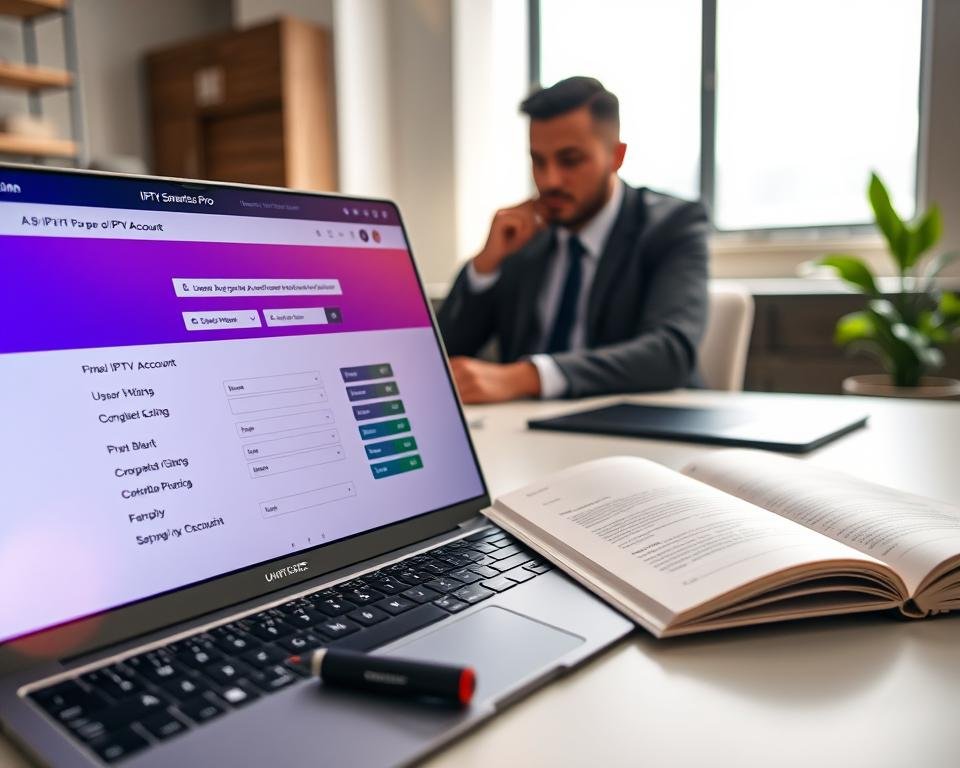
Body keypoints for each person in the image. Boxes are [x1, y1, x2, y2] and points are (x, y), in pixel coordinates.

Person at [438, 76, 709, 403]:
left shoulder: (671, 225)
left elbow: (670, 352)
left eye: (570, 160)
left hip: (635, 422)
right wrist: (485, 266)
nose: (549, 180)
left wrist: (528, 377)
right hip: (523, 426)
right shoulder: (524, 237)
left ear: (616, 156)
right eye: (538, 161)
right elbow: (442, 355)